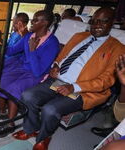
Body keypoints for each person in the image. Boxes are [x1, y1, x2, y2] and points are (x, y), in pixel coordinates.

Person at [12, 7, 125, 150]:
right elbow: (61, 55)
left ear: (112, 23)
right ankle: (31, 129)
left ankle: (44, 137)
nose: (97, 25)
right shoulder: (79, 36)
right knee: (27, 96)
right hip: (57, 79)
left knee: (50, 109)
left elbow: (106, 80)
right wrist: (56, 65)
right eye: (94, 21)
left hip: (83, 90)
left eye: (103, 22)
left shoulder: (118, 48)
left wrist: (74, 87)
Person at [0, 10, 60, 137]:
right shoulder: (29, 36)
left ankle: (10, 123)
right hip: (21, 66)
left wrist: (32, 50)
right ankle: (2, 112)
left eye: (35, 20)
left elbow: (38, 70)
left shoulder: (52, 43)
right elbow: (12, 50)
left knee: (14, 87)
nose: (31, 22)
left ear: (45, 23)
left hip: (36, 74)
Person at [0, 12, 29, 121]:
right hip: (8, 58)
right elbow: (7, 47)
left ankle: (2, 107)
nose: (12, 26)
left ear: (20, 24)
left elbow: (13, 52)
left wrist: (0, 51)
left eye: (14, 24)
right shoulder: (14, 34)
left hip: (14, 62)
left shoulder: (24, 37)